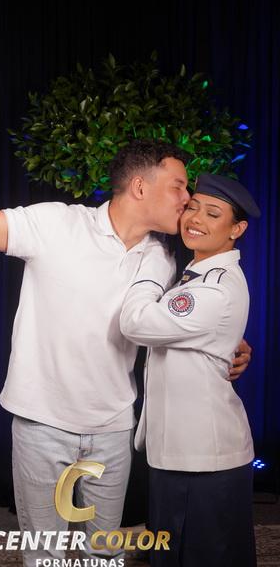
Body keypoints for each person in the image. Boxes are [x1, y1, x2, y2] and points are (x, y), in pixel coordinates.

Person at [0, 118, 251, 567]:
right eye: (179, 186)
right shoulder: (57, 224)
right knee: (44, 553)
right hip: (43, 422)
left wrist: (230, 342)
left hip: (114, 428)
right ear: (141, 186)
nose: (187, 199)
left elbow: (186, 317)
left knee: (103, 552)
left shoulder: (162, 258)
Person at [120, 173, 259, 567]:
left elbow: (136, 323)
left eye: (213, 214)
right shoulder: (197, 274)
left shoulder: (213, 287)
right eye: (193, 207)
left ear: (236, 229)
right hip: (182, 450)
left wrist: (150, 272)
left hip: (200, 457)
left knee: (201, 555)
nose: (195, 218)